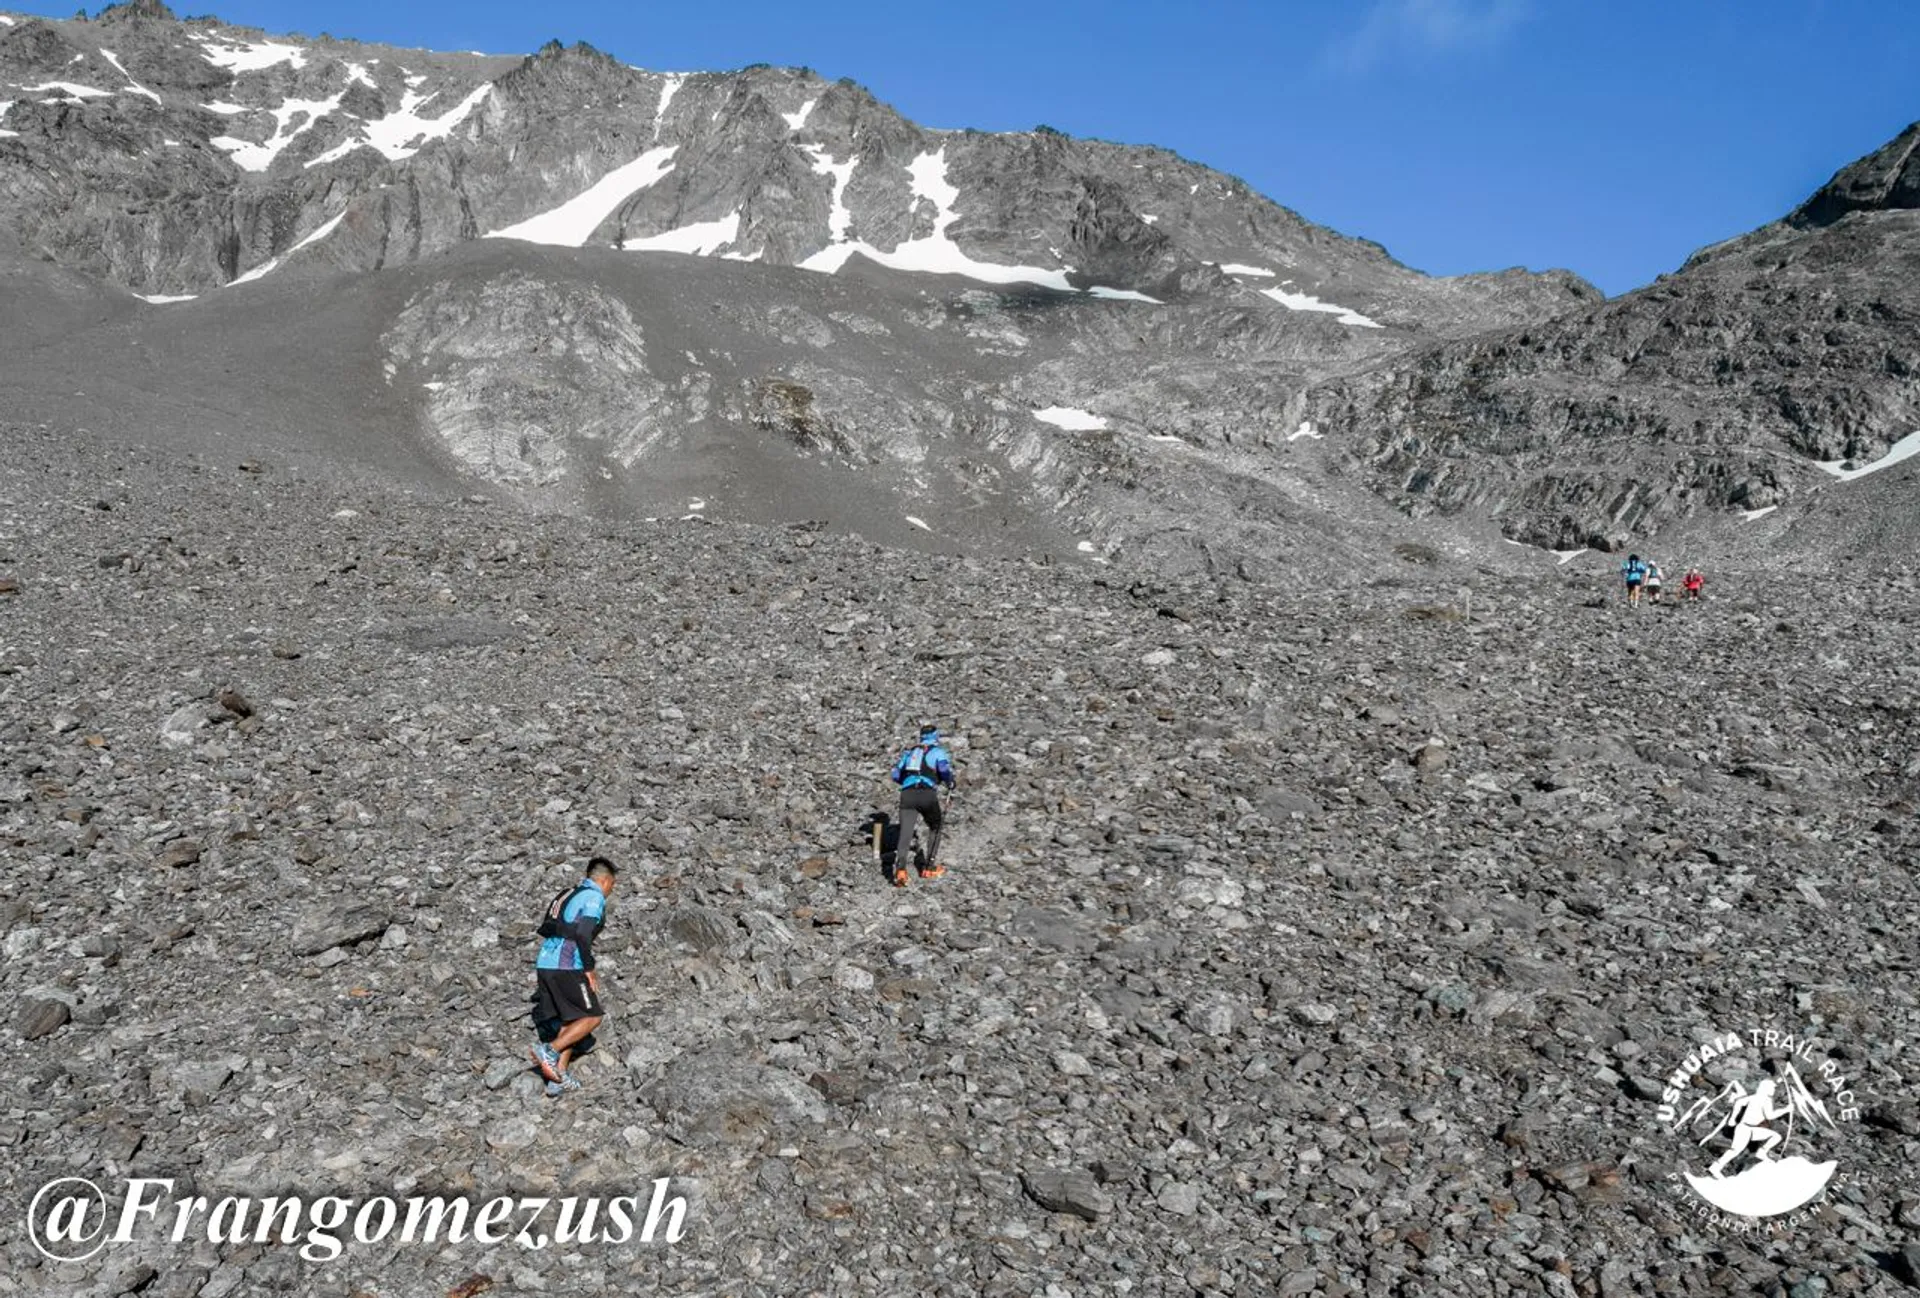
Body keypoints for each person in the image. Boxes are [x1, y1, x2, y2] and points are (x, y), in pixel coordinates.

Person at [529, 856, 617, 1096]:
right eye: (612, 885)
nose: (611, 891)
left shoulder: (568, 893)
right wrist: (588, 969)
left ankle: (557, 1076)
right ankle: (548, 1051)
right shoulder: (594, 897)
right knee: (592, 1016)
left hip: (546, 961)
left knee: (571, 1018)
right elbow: (583, 933)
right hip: (566, 964)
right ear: (605, 881)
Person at [887, 724, 956, 887]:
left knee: (905, 833)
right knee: (935, 825)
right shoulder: (938, 752)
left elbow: (895, 773)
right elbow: (943, 769)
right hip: (926, 793)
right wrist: (950, 782)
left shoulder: (910, 753)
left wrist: (906, 782)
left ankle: (901, 871)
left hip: (907, 794)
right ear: (935, 736)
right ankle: (929, 867)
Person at [1709, 1078, 1790, 1178]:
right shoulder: (1765, 1100)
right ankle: (1715, 1167)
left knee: (1776, 1136)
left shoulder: (1755, 1097)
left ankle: (1761, 1152)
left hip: (1751, 1129)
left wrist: (1733, 1118)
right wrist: (1786, 1110)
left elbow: (1739, 1102)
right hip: (1745, 1129)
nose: (1774, 1090)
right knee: (1735, 1150)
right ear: (1766, 1088)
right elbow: (1769, 1116)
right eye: (1772, 1088)